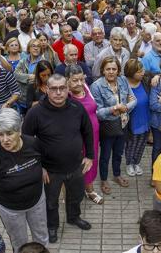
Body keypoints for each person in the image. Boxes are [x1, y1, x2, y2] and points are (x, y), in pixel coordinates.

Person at [22, 74, 94, 243]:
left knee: (76, 196)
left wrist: (90, 156)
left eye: (62, 88)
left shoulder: (77, 107)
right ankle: (52, 226)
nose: (59, 92)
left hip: (76, 165)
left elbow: (88, 131)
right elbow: (25, 141)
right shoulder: (36, 112)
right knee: (51, 202)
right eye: (54, 89)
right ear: (46, 89)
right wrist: (38, 167)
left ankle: (73, 217)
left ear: (68, 89)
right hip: (50, 170)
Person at [0, 108, 48, 253]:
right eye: (0, 134)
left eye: (10, 133)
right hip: (10, 209)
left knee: (41, 238)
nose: (5, 139)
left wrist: (42, 170)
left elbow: (42, 159)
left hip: (37, 201)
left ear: (20, 131)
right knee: (19, 243)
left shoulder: (33, 143)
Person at [91, 56, 137, 194]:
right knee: (105, 155)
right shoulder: (97, 86)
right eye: (108, 69)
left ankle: (116, 175)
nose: (111, 72)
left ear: (118, 70)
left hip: (123, 123)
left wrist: (125, 107)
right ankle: (104, 179)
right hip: (108, 126)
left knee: (118, 153)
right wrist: (113, 109)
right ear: (103, 70)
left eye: (114, 69)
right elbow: (98, 112)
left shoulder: (123, 80)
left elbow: (134, 99)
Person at [67, 64, 103, 205]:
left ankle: (89, 190)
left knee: (91, 163)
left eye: (81, 79)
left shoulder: (86, 87)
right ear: (67, 80)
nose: (79, 83)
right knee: (77, 165)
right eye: (75, 80)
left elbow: (95, 107)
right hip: (77, 138)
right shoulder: (66, 96)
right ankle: (73, 193)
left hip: (93, 137)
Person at [124, 59, 150, 177]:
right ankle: (129, 164)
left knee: (142, 143)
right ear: (131, 72)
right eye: (139, 71)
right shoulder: (124, 84)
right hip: (132, 121)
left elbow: (156, 74)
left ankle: (137, 162)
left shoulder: (144, 81)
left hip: (145, 118)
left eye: (142, 70)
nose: (142, 73)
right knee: (131, 143)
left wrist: (156, 77)